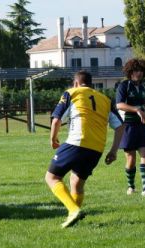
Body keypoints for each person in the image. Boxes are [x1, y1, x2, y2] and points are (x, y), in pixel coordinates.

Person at [45, 70, 124, 228]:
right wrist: (114, 150)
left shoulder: (71, 93)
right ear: (91, 84)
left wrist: (53, 138)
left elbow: (56, 119)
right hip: (96, 149)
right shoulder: (105, 99)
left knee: (52, 177)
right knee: (77, 184)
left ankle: (73, 210)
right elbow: (120, 126)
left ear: (75, 83)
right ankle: (73, 215)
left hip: (76, 142)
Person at [116, 58, 145, 196]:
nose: (139, 73)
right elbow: (119, 105)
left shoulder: (143, 87)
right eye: (136, 71)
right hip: (127, 126)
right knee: (131, 159)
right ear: (130, 72)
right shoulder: (124, 86)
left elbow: (143, 105)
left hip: (141, 126)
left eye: (141, 71)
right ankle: (131, 186)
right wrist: (137, 110)